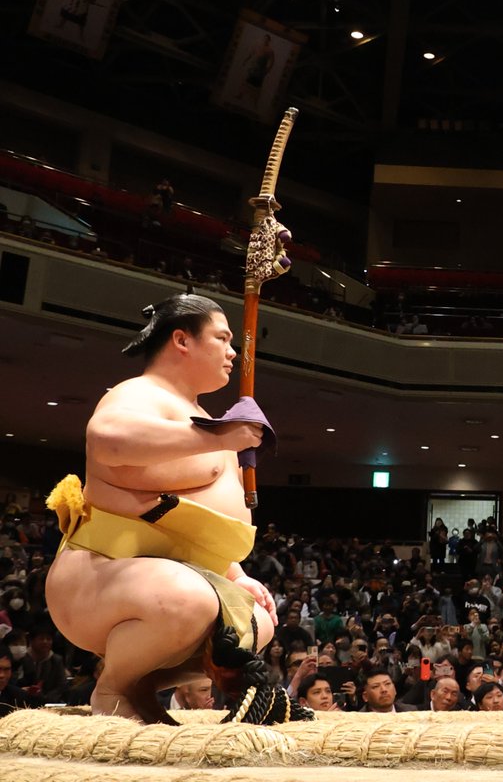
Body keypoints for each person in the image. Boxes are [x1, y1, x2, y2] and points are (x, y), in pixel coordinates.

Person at [43, 293, 310, 725]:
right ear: (182, 340)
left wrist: (236, 574)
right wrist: (218, 438)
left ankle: (140, 685)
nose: (232, 352)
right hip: (100, 571)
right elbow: (108, 439)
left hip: (165, 573)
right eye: (222, 339)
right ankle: (113, 689)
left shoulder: (200, 414)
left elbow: (192, 524)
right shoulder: (140, 393)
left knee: (254, 620)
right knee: (189, 600)